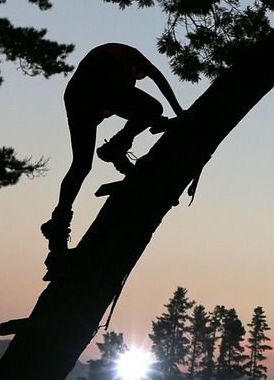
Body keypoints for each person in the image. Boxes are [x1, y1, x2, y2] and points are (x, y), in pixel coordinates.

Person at [41, 43, 185, 251]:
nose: (138, 77)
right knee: (154, 106)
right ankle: (116, 147)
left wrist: (154, 121)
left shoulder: (117, 83)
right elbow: (157, 78)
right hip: (95, 80)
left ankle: (59, 221)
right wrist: (178, 111)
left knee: (81, 165)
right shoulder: (127, 57)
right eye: (139, 74)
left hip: (77, 96)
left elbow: (124, 109)